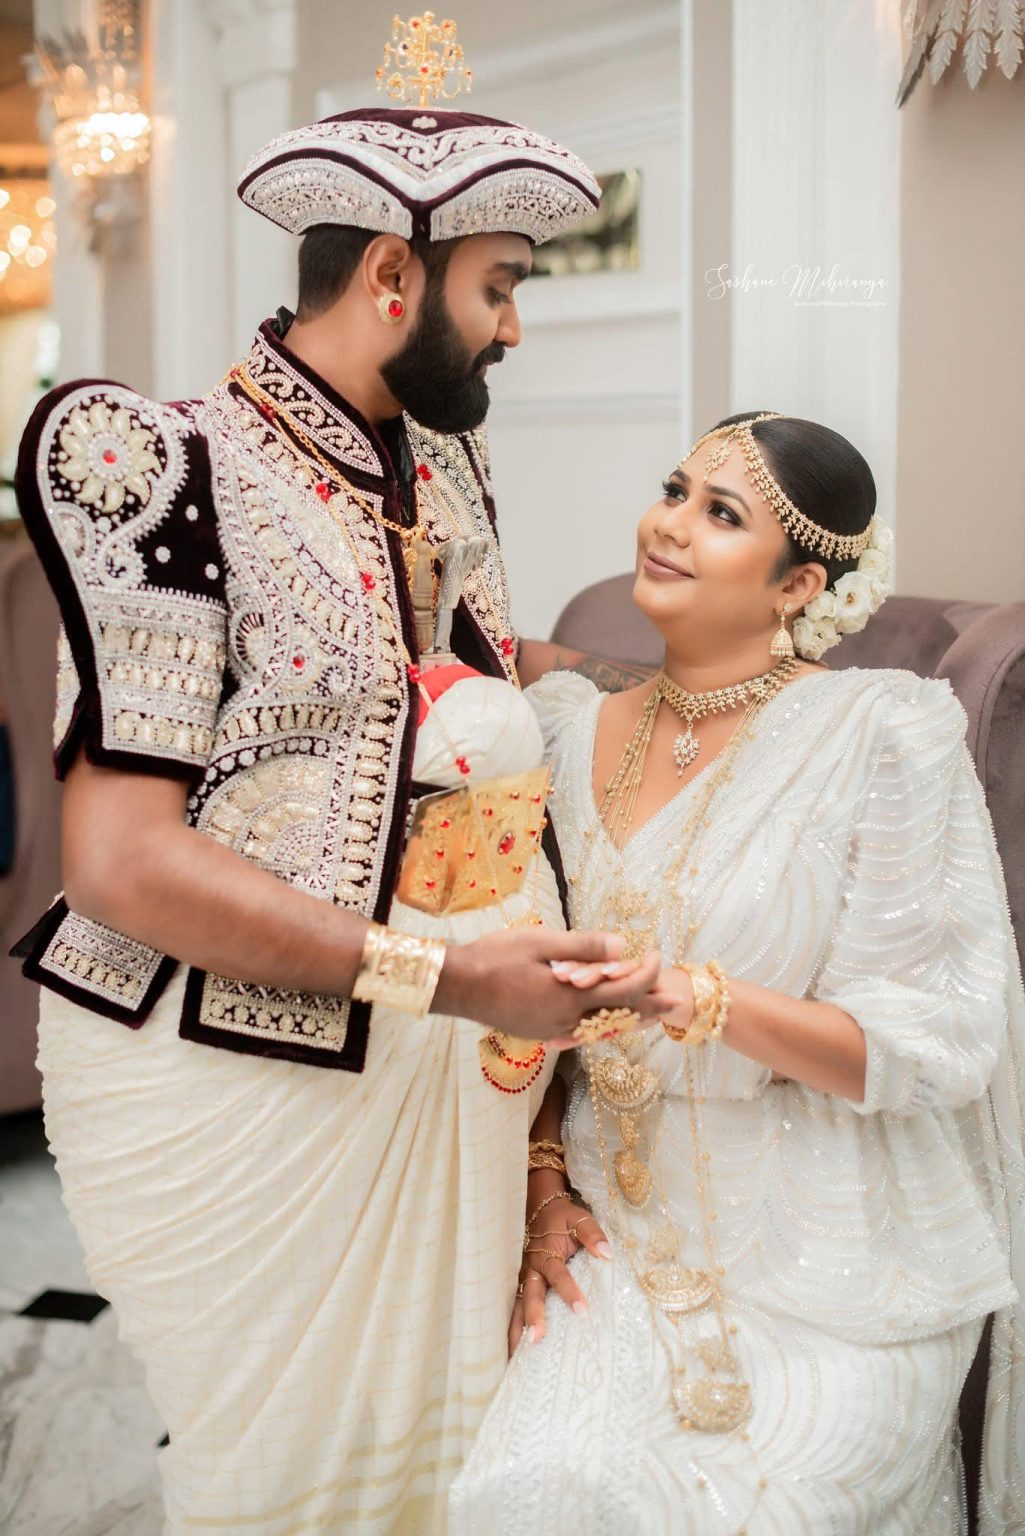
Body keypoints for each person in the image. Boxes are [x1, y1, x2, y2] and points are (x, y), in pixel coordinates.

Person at [11, 103, 666, 1535]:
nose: (511, 328)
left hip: (432, 1053)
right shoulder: (162, 468)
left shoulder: (437, 460)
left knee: (433, 1450)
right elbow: (119, 863)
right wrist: (449, 979)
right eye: (498, 288)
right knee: (277, 1477)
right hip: (212, 1062)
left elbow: (463, 667)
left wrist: (697, 697)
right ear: (390, 275)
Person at [449, 411, 1025, 1535]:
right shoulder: (559, 734)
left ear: (796, 584)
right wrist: (542, 1188)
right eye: (675, 491)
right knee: (534, 1490)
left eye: (720, 515)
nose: (669, 525)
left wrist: (693, 997)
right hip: (613, 1233)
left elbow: (935, 1044)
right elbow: (517, 1009)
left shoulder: (880, 732)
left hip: (840, 1260)